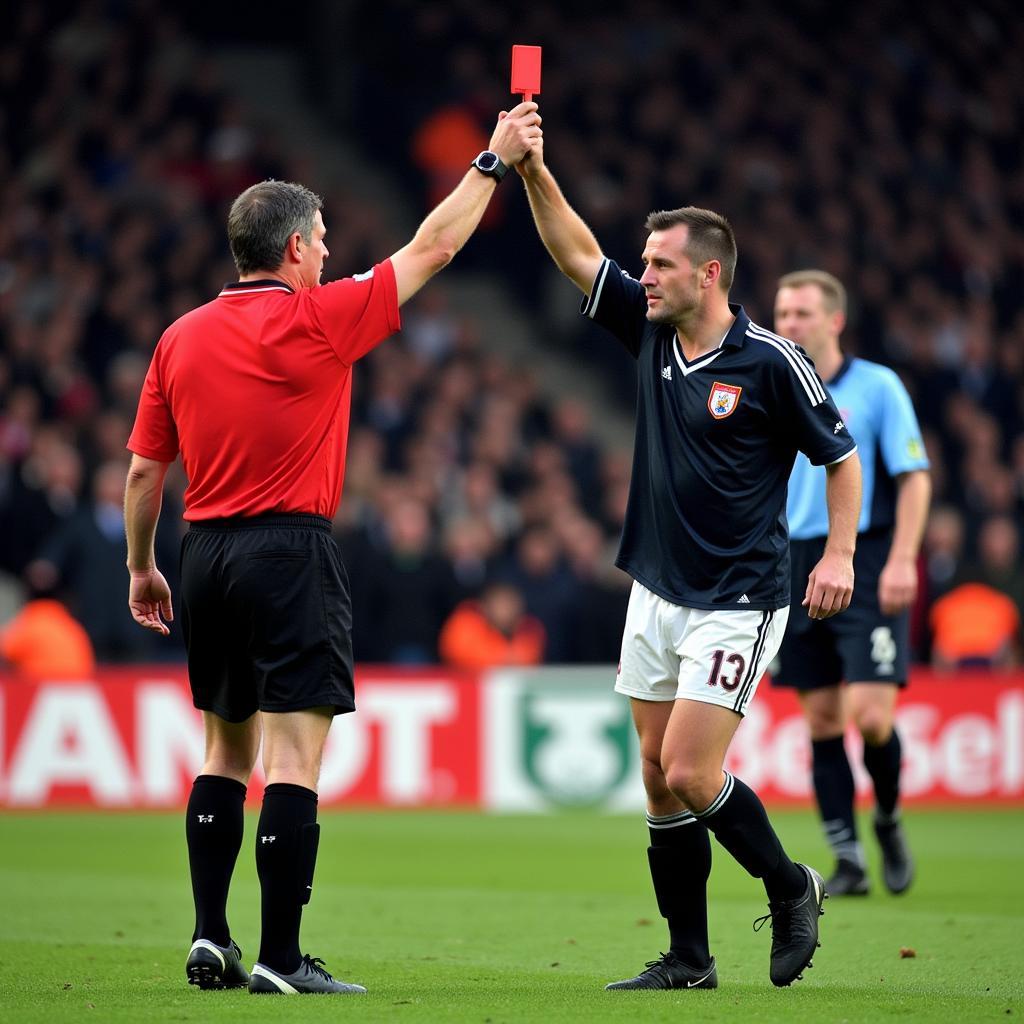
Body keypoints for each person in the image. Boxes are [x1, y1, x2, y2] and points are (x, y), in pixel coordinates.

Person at [123, 102, 542, 996]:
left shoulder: (177, 337)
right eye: (318, 239)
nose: (324, 250)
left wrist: (141, 566)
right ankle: (278, 958)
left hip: (202, 553)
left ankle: (209, 937)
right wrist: (495, 161)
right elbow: (431, 247)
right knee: (293, 762)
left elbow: (141, 475)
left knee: (221, 754)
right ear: (293, 250)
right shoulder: (319, 320)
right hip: (289, 551)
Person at [516, 120, 861, 990]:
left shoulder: (774, 362)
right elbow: (575, 255)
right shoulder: (651, 332)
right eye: (646, 263)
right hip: (658, 587)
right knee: (658, 782)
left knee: (690, 767)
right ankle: (689, 959)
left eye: (662, 264)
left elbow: (841, 457)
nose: (646, 277)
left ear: (708, 271)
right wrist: (532, 170)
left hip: (740, 595)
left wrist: (841, 556)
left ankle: (790, 886)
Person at [771, 270, 930, 898]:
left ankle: (887, 818)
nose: (790, 325)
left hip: (864, 556)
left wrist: (901, 561)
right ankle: (848, 858)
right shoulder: (770, 383)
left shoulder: (877, 387)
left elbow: (913, 476)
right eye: (783, 313)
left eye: (803, 313)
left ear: (835, 320)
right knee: (822, 718)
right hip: (792, 563)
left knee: (870, 717)